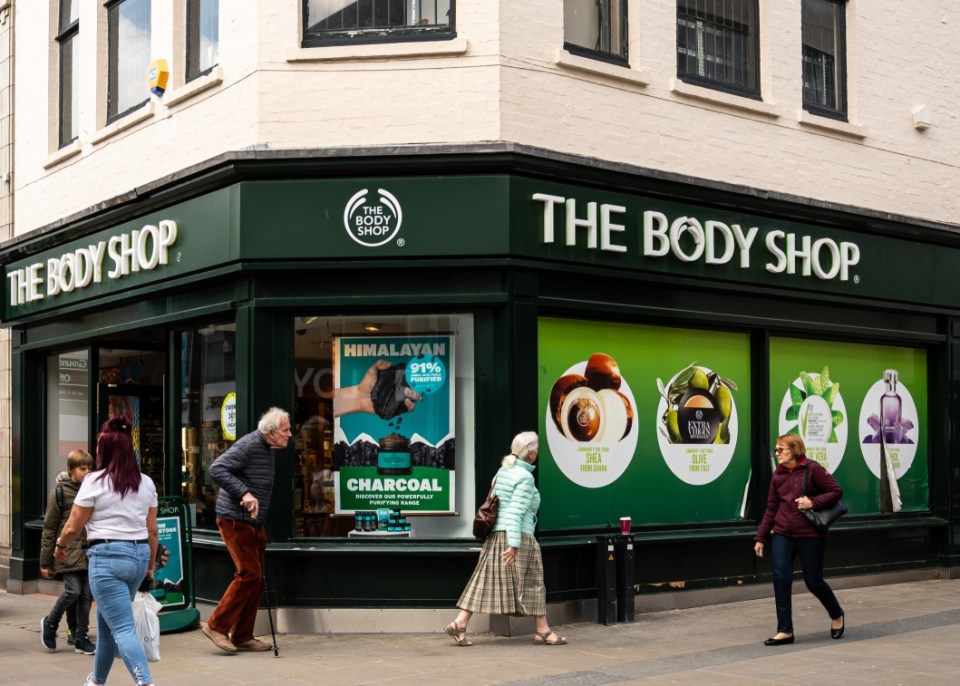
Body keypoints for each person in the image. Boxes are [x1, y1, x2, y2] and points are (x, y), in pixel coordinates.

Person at [54, 417, 159, 686]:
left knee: (123, 628)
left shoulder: (94, 481)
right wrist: (149, 568)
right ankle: (97, 681)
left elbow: (73, 525)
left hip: (107, 559)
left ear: (105, 450)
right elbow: (152, 531)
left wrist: (60, 546)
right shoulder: (146, 483)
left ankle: (145, 682)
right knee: (106, 627)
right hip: (138, 557)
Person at [444, 431, 567, 647]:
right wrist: (514, 545)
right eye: (536, 449)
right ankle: (543, 631)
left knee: (483, 580)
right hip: (518, 535)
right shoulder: (525, 478)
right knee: (534, 582)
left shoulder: (502, 471)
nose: (537, 453)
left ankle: (460, 623)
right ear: (530, 453)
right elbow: (515, 512)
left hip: (496, 536)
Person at [201, 407, 292, 654]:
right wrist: (245, 493)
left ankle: (241, 635)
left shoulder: (267, 448)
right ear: (271, 432)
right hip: (234, 519)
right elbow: (217, 469)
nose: (290, 434)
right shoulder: (250, 444)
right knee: (249, 573)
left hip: (252, 521)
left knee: (257, 579)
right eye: (285, 430)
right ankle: (217, 626)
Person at [754, 433, 845, 646]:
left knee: (813, 581)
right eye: (775, 450)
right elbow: (771, 508)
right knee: (780, 578)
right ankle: (785, 630)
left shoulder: (812, 469)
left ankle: (836, 613)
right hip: (782, 534)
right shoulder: (777, 475)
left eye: (780, 449)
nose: (776, 453)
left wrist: (812, 502)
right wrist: (760, 537)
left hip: (810, 535)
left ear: (794, 450)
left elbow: (836, 491)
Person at [39, 449, 97, 655]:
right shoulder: (60, 493)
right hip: (68, 551)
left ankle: (81, 637)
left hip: (89, 550)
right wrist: (45, 561)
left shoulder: (92, 490)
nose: (88, 472)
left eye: (90, 468)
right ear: (71, 469)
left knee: (86, 596)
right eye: (83, 468)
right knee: (73, 591)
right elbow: (49, 527)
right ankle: (51, 622)